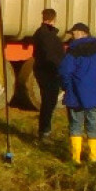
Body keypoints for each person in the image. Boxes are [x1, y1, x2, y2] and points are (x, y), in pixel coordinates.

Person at [59, 23, 96, 164]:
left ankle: (76, 159)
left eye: (73, 34)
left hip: (76, 94)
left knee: (75, 125)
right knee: (94, 124)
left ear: (81, 33)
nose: (72, 37)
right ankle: (93, 158)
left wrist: (67, 87)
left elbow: (64, 72)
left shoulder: (73, 51)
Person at [32, 8, 65, 140]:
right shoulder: (49, 36)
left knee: (48, 101)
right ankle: (45, 131)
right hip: (50, 72)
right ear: (54, 19)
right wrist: (61, 68)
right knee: (49, 102)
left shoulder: (40, 33)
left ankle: (45, 129)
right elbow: (52, 56)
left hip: (42, 70)